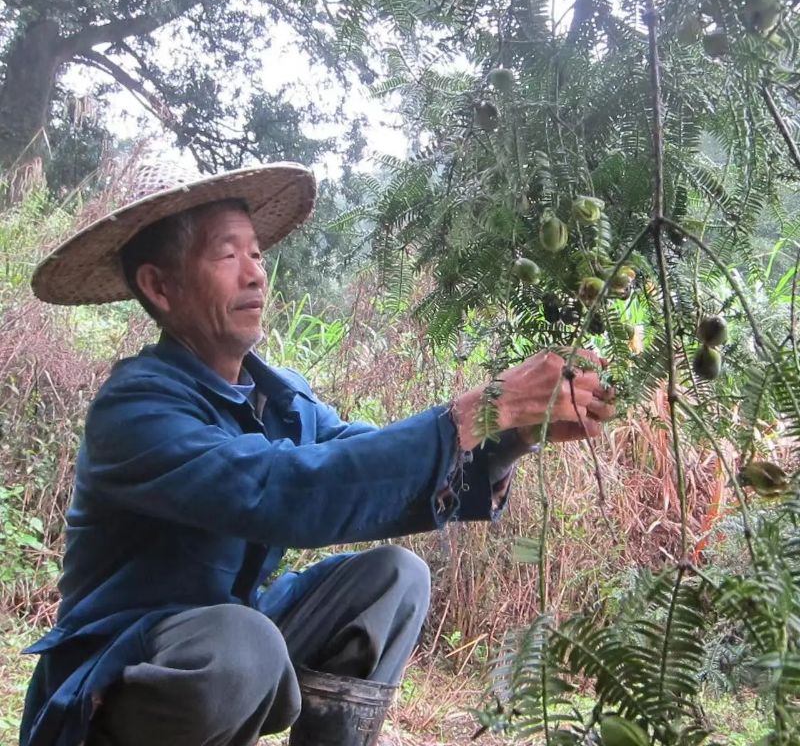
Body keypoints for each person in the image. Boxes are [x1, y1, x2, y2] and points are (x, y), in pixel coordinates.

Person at [20, 161, 615, 746]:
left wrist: (508, 437)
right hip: (124, 672)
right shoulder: (136, 409)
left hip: (240, 635)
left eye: (256, 253)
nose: (255, 274)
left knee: (396, 580)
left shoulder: (279, 397)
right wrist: (479, 410)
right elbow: (278, 492)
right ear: (159, 286)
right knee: (242, 642)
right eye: (227, 255)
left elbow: (362, 459)